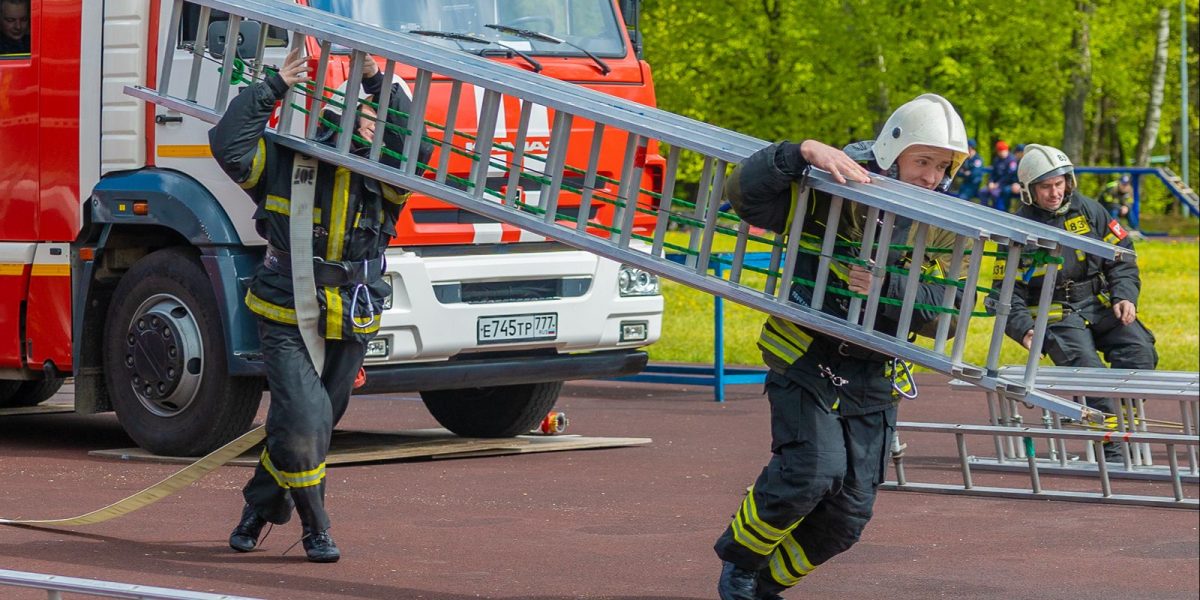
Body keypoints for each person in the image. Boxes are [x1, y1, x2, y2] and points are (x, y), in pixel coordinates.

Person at [713, 93, 971, 600]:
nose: (930, 178)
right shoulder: (829, 189)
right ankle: (740, 568)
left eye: (942, 167)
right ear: (891, 151)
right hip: (807, 359)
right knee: (810, 473)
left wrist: (883, 286)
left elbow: (945, 311)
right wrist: (799, 151)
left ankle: (765, 586)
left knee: (849, 515)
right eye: (923, 162)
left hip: (875, 378)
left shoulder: (936, 221)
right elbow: (747, 196)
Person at [209, 48, 431, 562]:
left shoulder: (388, 177)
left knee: (309, 421)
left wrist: (377, 80)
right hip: (286, 309)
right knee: (306, 418)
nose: (374, 129)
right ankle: (315, 527)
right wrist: (273, 86)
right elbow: (228, 145)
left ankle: (258, 507)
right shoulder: (286, 161)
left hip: (352, 311)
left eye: (377, 121)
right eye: (364, 118)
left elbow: (410, 140)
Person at [997, 144, 1156, 463]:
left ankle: (1117, 420)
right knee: (1090, 375)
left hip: (1097, 304)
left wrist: (1123, 295)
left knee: (1140, 351)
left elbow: (1122, 256)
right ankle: (1112, 451)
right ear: (1029, 191)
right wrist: (1023, 329)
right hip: (1054, 314)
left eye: (1059, 184)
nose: (1055, 193)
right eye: (1045, 187)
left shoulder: (1090, 210)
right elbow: (1005, 291)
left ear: (1069, 181)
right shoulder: (1018, 230)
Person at [985, 140, 1020, 212]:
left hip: (1007, 184)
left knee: (997, 193)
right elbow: (993, 173)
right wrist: (990, 182)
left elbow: (1009, 176)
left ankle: (1001, 211)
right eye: (1000, 151)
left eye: (1003, 151)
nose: (1002, 153)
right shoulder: (997, 160)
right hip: (996, 184)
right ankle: (985, 210)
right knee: (983, 192)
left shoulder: (1012, 160)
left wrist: (998, 184)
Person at [955, 138, 985, 202]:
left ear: (971, 148)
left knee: (962, 198)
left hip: (973, 185)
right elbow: (958, 172)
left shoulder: (978, 160)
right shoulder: (966, 159)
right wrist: (965, 173)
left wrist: (966, 173)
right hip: (964, 184)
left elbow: (974, 174)